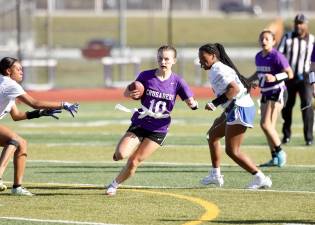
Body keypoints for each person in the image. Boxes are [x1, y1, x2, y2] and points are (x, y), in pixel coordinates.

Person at [105, 45, 198, 196]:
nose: (163, 61)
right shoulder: (145, 76)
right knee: (121, 154)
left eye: (167, 59)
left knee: (134, 161)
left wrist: (192, 104)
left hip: (159, 128)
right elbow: (127, 92)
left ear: (174, 61)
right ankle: (118, 154)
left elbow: (191, 101)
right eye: (160, 58)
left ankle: (114, 185)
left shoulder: (178, 81)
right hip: (141, 122)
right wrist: (132, 92)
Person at [0, 57, 79, 196]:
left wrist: (40, 113)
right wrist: (63, 104)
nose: (21, 72)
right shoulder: (9, 84)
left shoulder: (6, 85)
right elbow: (34, 102)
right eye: (18, 69)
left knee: (22, 143)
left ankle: (17, 187)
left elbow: (16, 115)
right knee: (15, 140)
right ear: (8, 71)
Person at [198, 43, 272, 189]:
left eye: (203, 57)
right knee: (212, 135)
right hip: (234, 108)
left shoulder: (218, 68)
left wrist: (214, 103)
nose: (200, 61)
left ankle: (260, 177)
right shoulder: (217, 68)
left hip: (240, 108)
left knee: (232, 150)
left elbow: (234, 89)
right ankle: (215, 175)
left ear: (213, 56)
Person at [249, 30, 293, 167]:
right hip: (265, 92)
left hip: (277, 91)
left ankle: (280, 152)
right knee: (267, 127)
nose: (264, 41)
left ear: (273, 42)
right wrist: (248, 81)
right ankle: (274, 157)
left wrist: (275, 77)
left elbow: (290, 73)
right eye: (262, 38)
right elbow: (259, 72)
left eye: (267, 39)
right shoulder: (258, 56)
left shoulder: (277, 56)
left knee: (266, 125)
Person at [278, 13, 315, 146]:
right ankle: (286, 135)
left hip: (305, 77)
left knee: (307, 104)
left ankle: (309, 137)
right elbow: (279, 56)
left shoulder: (312, 40)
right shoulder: (287, 37)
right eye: (296, 23)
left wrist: (313, 81)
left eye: (301, 23)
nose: (298, 25)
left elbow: (313, 63)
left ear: (306, 24)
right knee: (287, 106)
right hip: (289, 77)